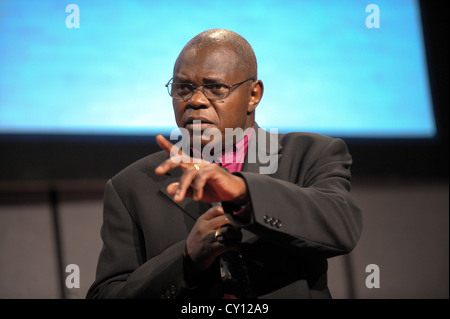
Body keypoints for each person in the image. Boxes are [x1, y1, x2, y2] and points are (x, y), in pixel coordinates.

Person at [86, 29, 362, 299]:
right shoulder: (130, 186)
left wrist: (243, 193)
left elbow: (341, 226)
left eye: (215, 87)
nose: (195, 100)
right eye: (183, 88)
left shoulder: (309, 154)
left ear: (253, 95)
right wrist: (186, 259)